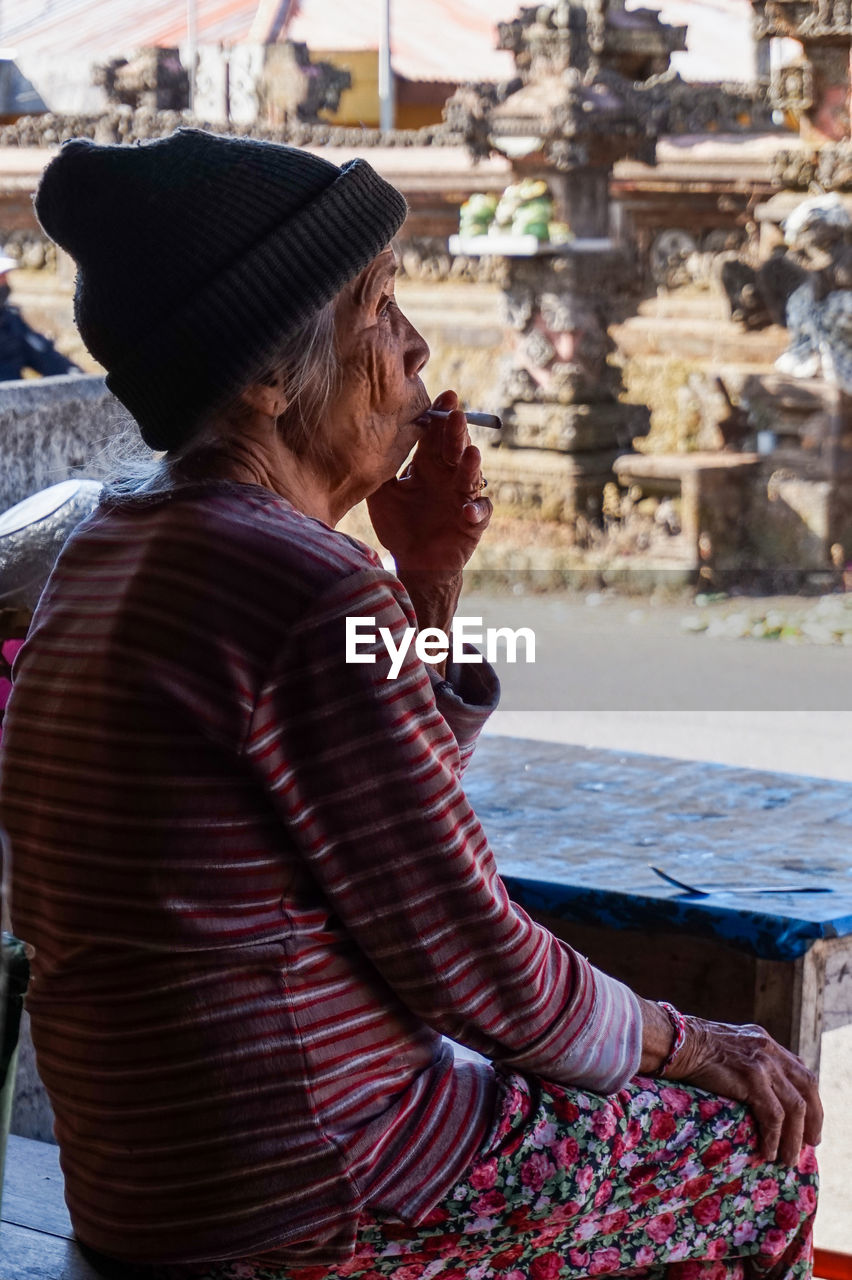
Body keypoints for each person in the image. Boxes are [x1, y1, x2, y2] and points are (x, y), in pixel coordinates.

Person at [0, 130, 821, 1280]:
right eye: (379, 310)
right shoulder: (299, 585)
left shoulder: (111, 547)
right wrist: (695, 1040)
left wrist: (425, 588)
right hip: (313, 1193)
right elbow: (478, 965)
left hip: (158, 1182)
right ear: (267, 377)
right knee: (757, 1148)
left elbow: (364, 823)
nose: (417, 347)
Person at [0, 253, 81, 380]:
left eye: (4, 276)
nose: (5, 282)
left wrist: (75, 376)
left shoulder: (10, 321)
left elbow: (42, 354)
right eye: (1, 277)